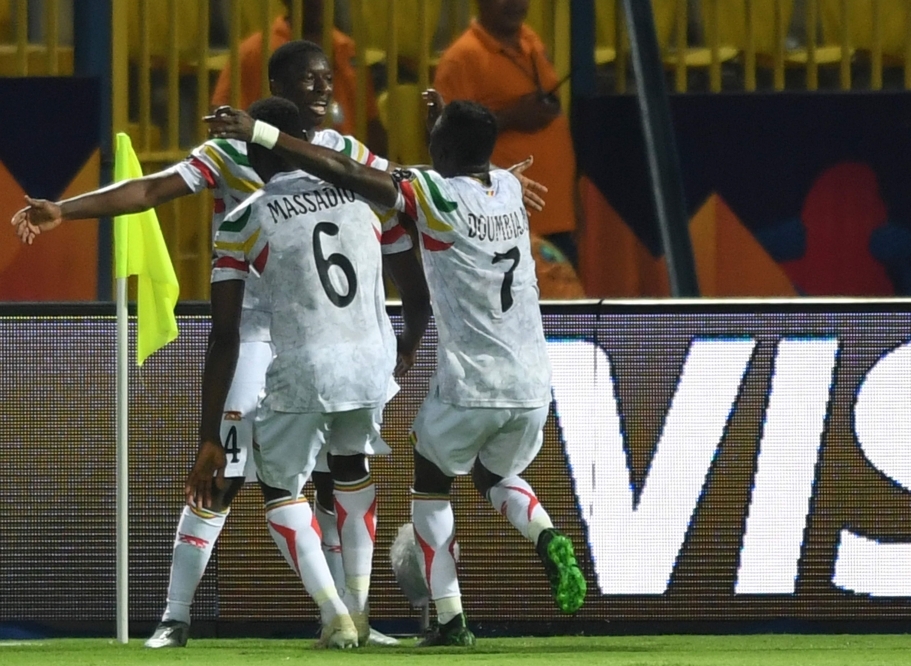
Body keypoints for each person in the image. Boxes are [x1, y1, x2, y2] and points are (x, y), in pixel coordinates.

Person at [10, 40, 428, 649]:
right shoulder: (232, 150)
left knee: (338, 473)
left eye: (325, 78)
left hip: (317, 333)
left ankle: (346, 616)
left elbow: (400, 189)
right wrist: (66, 211)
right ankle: (175, 616)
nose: (321, 88)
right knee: (226, 470)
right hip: (256, 328)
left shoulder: (344, 152)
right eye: (306, 80)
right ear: (279, 84)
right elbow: (150, 191)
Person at [206, 91, 587, 647]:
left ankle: (447, 618)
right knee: (493, 476)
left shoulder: (431, 195)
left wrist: (261, 135)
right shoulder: (507, 187)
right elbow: (464, 167)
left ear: (446, 150)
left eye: (434, 138)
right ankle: (545, 534)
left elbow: (345, 169)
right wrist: (447, 134)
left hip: (468, 382)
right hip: (533, 382)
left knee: (430, 489)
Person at [188, 96, 402, 649]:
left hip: (307, 364)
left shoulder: (243, 219)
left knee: (283, 487)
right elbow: (418, 198)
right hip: (373, 362)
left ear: (259, 154)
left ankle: (333, 612)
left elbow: (225, 333)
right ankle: (360, 607)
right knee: (351, 470)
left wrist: (210, 430)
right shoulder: (363, 191)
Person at [433, 0, 579, 266]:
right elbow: (444, 137)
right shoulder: (462, 58)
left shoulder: (530, 40)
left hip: (556, 217)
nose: (515, 3)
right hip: (504, 223)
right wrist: (510, 117)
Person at [211, 0, 388, 155]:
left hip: (342, 177)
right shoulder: (254, 52)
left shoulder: (347, 49)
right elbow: (223, 121)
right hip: (277, 175)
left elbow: (370, 124)